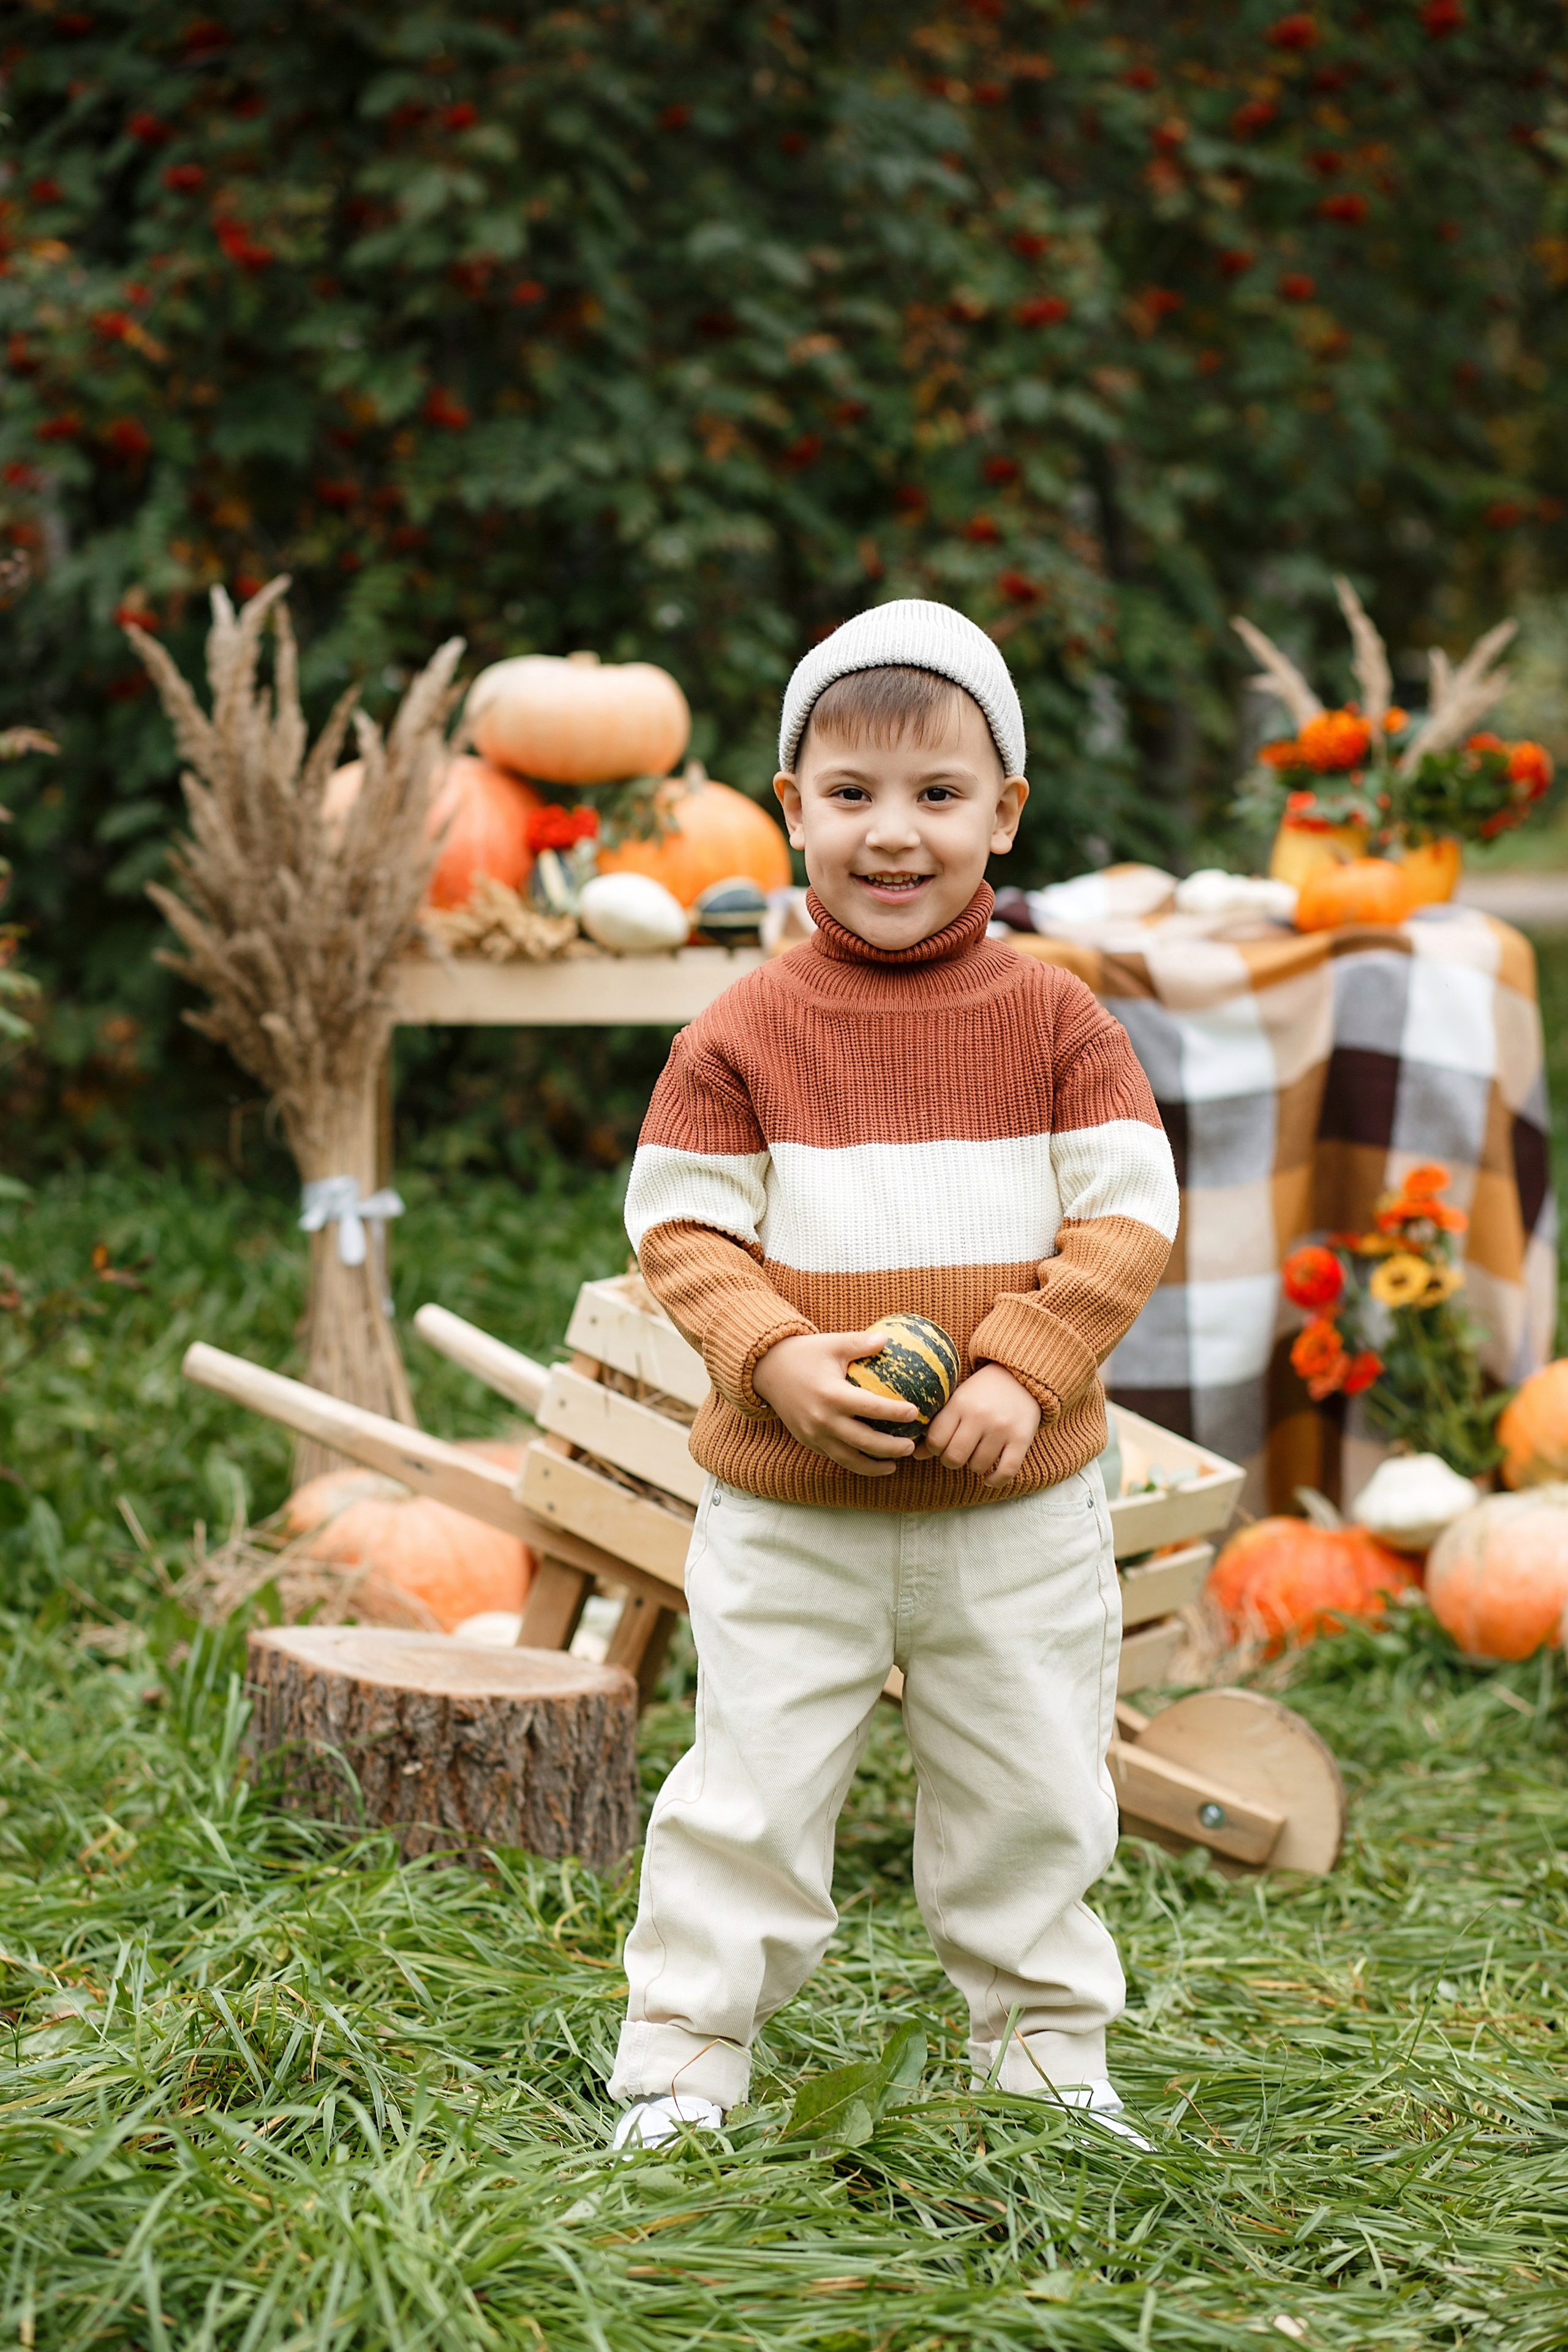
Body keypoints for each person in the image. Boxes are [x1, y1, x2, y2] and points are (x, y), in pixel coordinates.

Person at [606, 600, 1178, 2152]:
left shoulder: (1058, 1020)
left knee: (1034, 1782)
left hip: (1012, 1503)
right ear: (791, 808)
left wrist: (1028, 1369)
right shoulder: (738, 1032)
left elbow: (1125, 1214)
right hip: (793, 1511)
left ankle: (1046, 2048)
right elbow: (680, 1228)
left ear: (1004, 809)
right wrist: (773, 1355)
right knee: (748, 1788)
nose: (893, 834)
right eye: (850, 795)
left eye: (938, 796)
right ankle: (683, 2056)